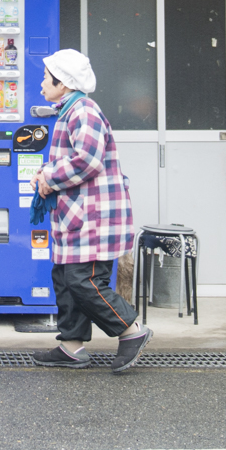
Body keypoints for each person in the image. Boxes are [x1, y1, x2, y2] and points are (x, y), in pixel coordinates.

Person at [29, 48, 150, 373]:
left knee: (85, 280)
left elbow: (88, 160)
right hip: (78, 217)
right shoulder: (69, 110)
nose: (42, 83)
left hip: (94, 217)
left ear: (64, 82)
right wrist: (44, 175)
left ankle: (130, 331)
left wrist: (49, 177)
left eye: (46, 77)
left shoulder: (84, 111)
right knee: (66, 278)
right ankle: (71, 346)